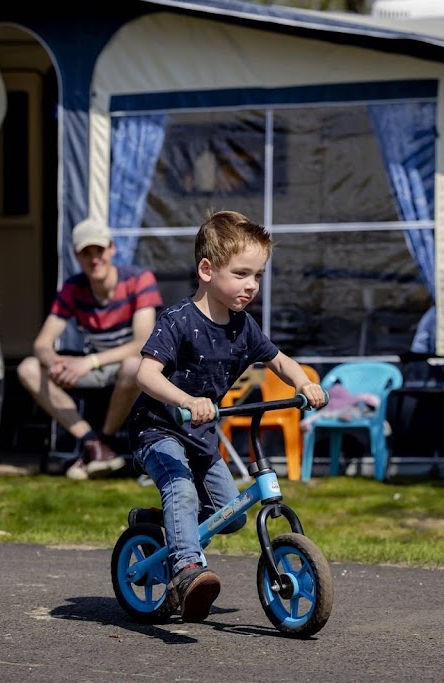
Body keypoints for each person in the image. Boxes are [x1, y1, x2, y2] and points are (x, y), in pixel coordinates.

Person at [128, 210, 326, 623]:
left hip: (200, 436)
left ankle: (163, 526)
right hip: (159, 430)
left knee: (231, 515)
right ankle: (185, 570)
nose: (251, 285)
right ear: (207, 269)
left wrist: (303, 384)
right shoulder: (178, 321)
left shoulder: (243, 327)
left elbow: (280, 361)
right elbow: (144, 373)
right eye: (240, 274)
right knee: (181, 490)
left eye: (257, 275)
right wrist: (186, 400)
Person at [17, 217, 162, 480]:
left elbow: (143, 343)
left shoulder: (139, 279)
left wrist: (89, 362)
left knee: (133, 366)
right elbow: (41, 343)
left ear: (111, 249)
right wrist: (54, 364)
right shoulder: (73, 288)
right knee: (28, 368)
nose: (95, 259)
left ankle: (102, 442)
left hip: (133, 367)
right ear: (77, 256)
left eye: (99, 251)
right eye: (87, 253)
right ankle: (93, 445)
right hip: (96, 366)